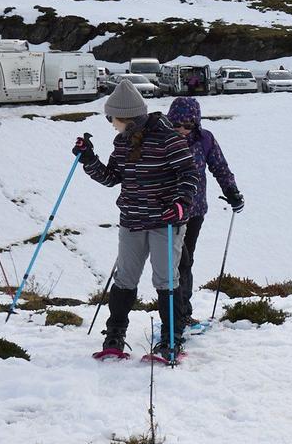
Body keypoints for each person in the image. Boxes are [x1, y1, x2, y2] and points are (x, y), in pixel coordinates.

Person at [75, 79, 200, 363]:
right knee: (125, 279)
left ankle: (171, 340)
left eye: (111, 118)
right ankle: (114, 337)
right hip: (132, 220)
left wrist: (181, 204)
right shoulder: (122, 142)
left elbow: (189, 173)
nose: (111, 124)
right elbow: (112, 177)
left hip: (165, 221)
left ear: (126, 117)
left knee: (166, 280)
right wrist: (88, 159)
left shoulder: (169, 138)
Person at [166, 95, 243, 332]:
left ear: (196, 124)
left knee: (186, 261)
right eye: (177, 124)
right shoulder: (162, 139)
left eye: (188, 125)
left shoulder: (205, 139)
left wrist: (231, 191)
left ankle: (182, 313)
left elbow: (220, 167)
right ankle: (175, 316)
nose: (182, 129)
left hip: (195, 210)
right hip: (168, 212)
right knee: (177, 262)